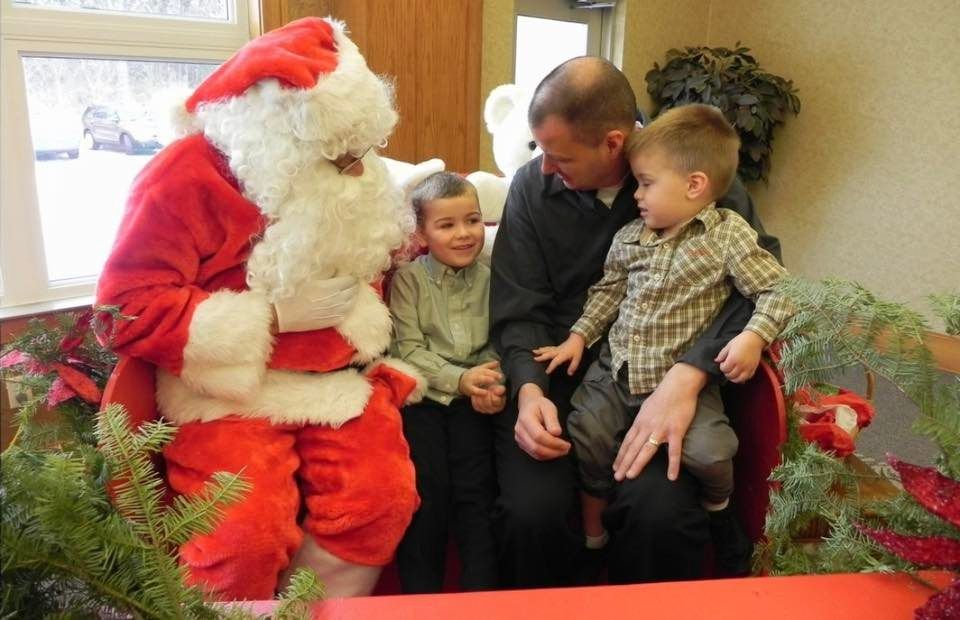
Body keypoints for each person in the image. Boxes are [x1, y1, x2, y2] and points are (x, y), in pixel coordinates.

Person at [96, 18, 425, 600]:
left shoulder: (351, 174)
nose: (359, 169)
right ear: (279, 135)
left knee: (382, 500)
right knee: (240, 537)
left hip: (338, 384)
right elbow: (123, 309)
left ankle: (312, 610)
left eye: (362, 152)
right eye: (339, 156)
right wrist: (270, 318)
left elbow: (359, 265)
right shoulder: (184, 176)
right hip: (226, 396)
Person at [490, 56, 782, 587]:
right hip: (564, 377)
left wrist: (690, 374)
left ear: (614, 143)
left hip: (672, 378)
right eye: (540, 152)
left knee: (660, 514)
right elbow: (518, 307)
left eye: (559, 156)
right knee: (531, 512)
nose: (545, 167)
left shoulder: (699, 180)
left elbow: (757, 287)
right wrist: (530, 392)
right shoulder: (533, 188)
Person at [389, 172, 506, 593]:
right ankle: (420, 598)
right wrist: (460, 378)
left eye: (472, 221)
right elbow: (407, 348)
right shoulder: (409, 280)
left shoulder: (494, 278)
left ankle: (481, 597)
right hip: (426, 401)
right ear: (422, 232)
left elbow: (503, 339)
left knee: (477, 495)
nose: (463, 234)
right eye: (447, 225)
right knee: (427, 494)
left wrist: (490, 382)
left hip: (476, 403)